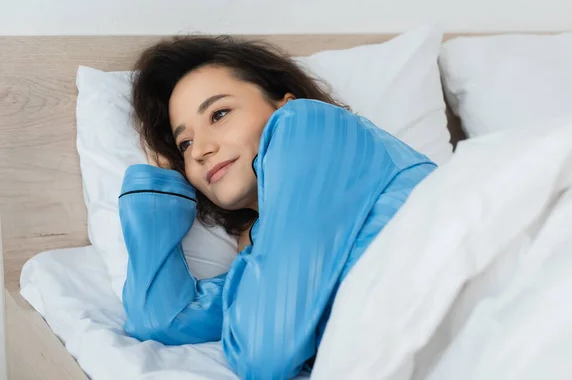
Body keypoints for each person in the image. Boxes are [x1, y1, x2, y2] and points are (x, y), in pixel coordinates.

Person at [119, 35, 437, 380]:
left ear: (283, 105)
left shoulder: (307, 123)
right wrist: (157, 192)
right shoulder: (264, 258)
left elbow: (263, 354)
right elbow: (162, 319)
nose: (199, 151)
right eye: (185, 143)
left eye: (219, 113)